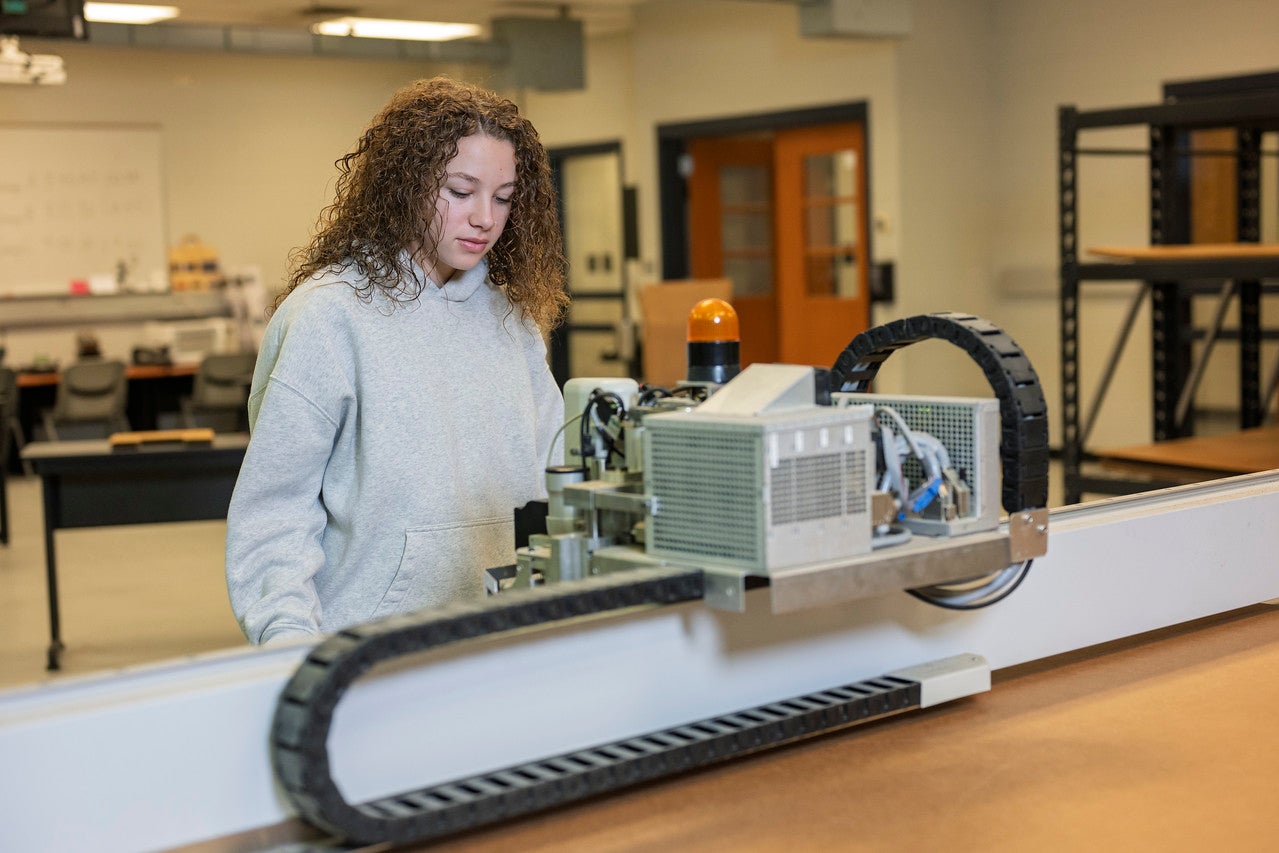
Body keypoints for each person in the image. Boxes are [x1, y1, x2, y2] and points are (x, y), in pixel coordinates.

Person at [225, 77, 569, 645]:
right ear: (405, 185)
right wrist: (288, 645)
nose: (485, 217)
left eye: (503, 197)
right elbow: (274, 515)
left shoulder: (514, 322)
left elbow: (553, 472)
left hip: (500, 637)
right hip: (366, 652)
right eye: (461, 191)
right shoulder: (327, 318)